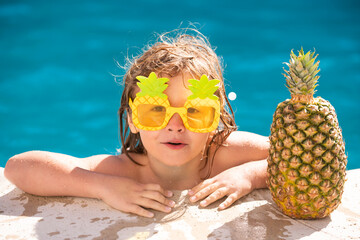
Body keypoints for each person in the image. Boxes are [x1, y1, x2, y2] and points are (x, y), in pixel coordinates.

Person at [4, 29, 269, 218]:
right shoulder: (124, 172)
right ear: (133, 120)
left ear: (215, 120)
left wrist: (250, 175)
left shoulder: (228, 152)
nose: (175, 125)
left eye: (195, 112)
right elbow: (19, 168)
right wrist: (103, 187)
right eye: (155, 110)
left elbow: (308, 152)